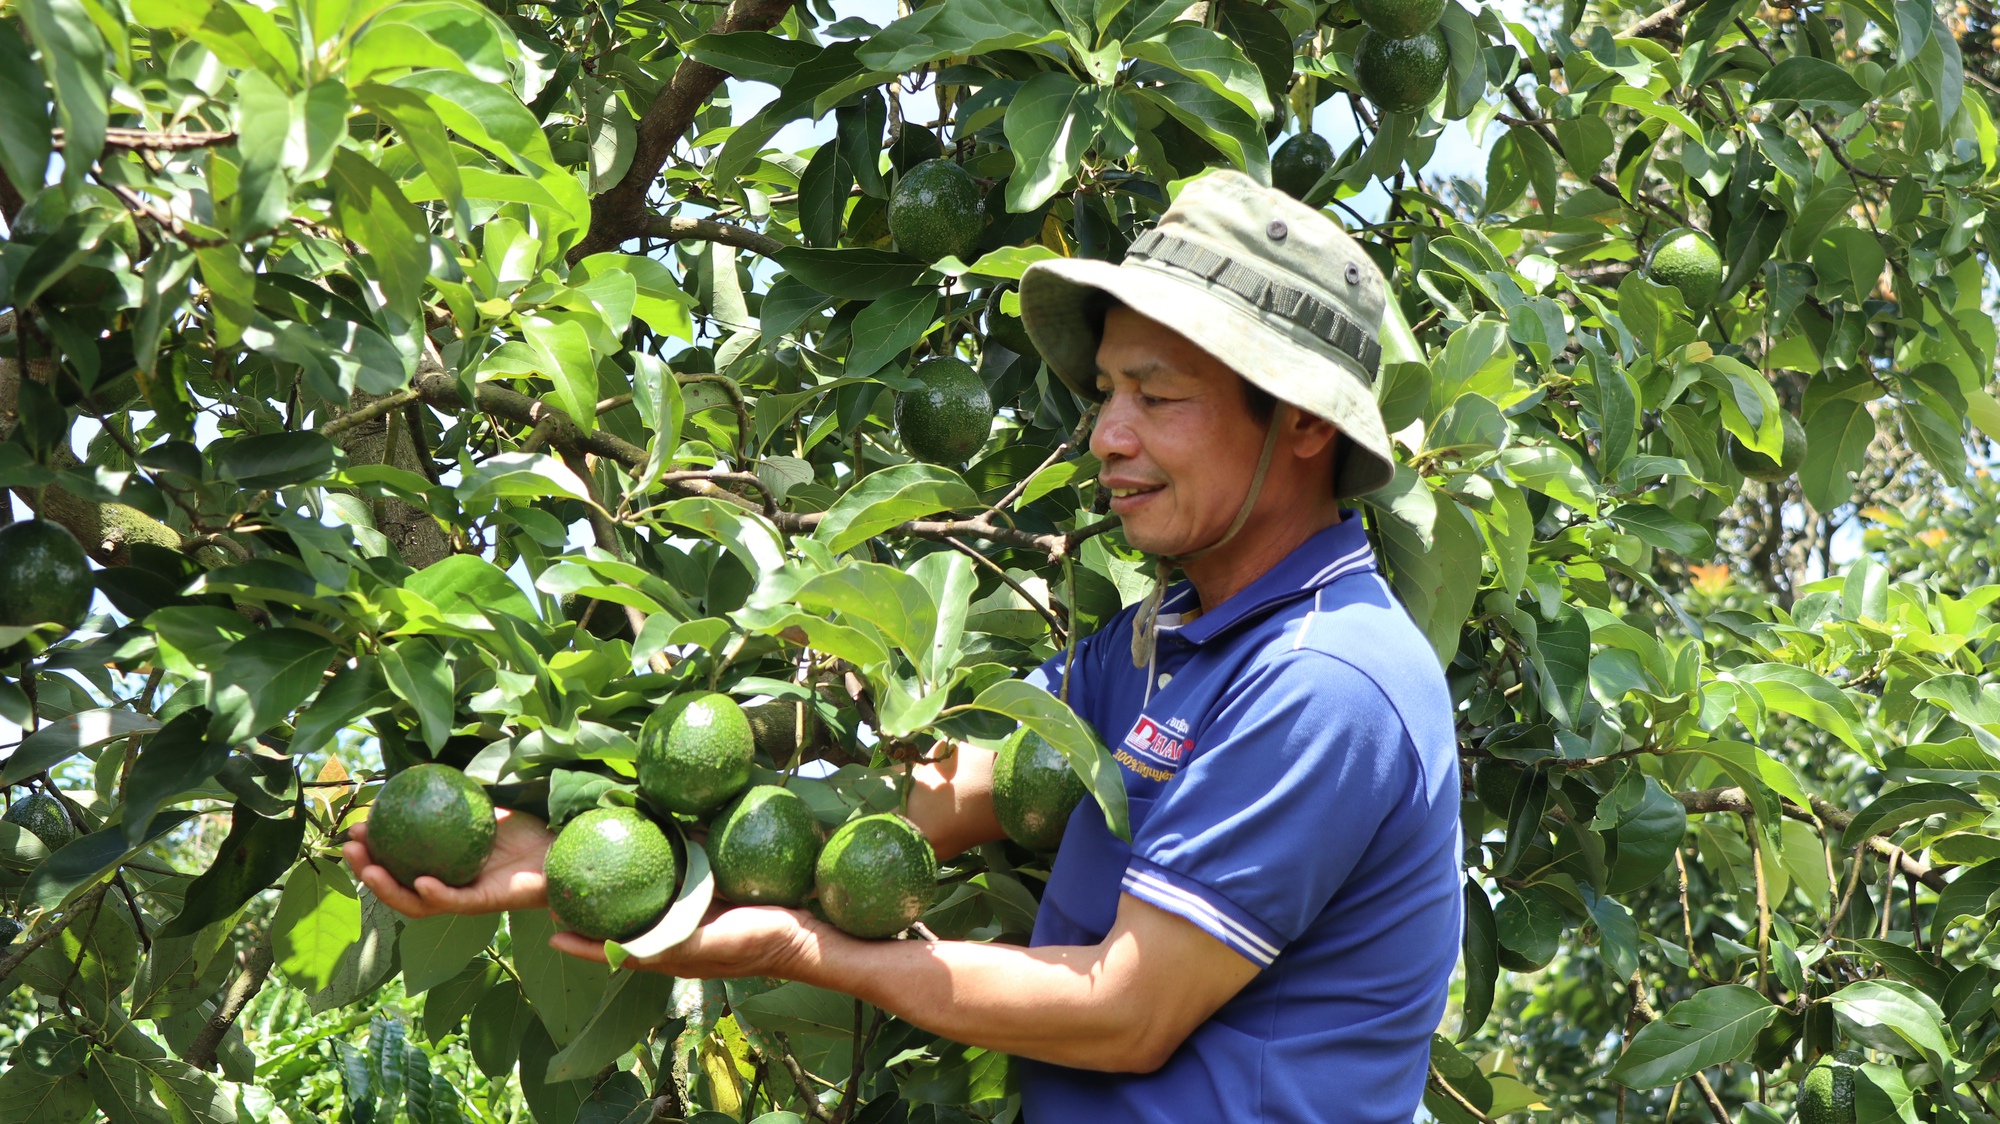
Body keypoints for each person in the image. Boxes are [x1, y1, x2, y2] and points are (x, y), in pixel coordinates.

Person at [345, 170, 1462, 1123]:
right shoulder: (1159, 641)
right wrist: (599, 844)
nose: (1106, 436)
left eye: (1156, 396)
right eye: (1106, 390)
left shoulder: (1323, 678)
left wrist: (797, 952)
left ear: (1303, 425)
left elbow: (1125, 1008)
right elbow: (923, 791)